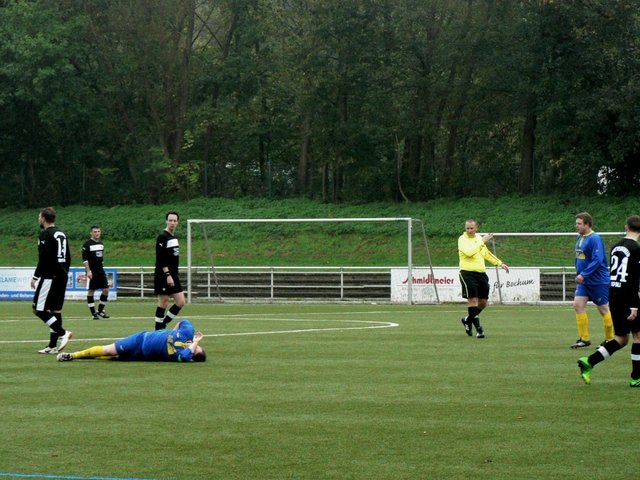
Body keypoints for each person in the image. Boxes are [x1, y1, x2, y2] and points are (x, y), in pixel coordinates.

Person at [577, 215, 640, 386]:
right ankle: (636, 377)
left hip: (614, 294)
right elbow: (634, 280)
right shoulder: (636, 249)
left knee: (621, 338)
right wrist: (635, 306)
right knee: (638, 337)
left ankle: (589, 361)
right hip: (628, 297)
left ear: (626, 226)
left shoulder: (615, 246)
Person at [56, 319, 206, 362]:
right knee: (109, 350)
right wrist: (171, 332)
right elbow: (183, 321)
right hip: (140, 340)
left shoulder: (182, 354)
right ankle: (72, 355)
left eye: (194, 349)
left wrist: (196, 342)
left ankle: (90, 356)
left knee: (113, 357)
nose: (192, 346)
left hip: (143, 356)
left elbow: (185, 356)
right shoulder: (187, 333)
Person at [30, 207, 73, 354]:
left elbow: (44, 258)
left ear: (43, 218)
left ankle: (63, 333)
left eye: (39, 217)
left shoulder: (45, 234)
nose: (39, 219)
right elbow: (68, 257)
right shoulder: (61, 233)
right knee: (56, 310)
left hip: (50, 276)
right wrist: (64, 272)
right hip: (62, 275)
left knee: (37, 309)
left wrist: (35, 276)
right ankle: (52, 346)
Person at [458, 219, 510, 338]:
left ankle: (467, 320)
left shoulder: (478, 239)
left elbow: (486, 254)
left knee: (483, 303)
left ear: (476, 228)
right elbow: (469, 252)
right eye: (467, 228)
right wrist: (482, 241)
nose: (469, 230)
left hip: (481, 274)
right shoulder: (462, 239)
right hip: (467, 273)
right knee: (473, 300)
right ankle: (479, 330)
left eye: (472, 228)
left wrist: (500, 263)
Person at [570, 212, 614, 349]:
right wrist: (579, 272)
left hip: (597, 281)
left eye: (579, 224)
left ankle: (610, 339)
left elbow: (598, 259)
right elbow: (579, 257)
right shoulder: (580, 237)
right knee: (578, 305)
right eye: (576, 223)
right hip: (584, 281)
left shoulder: (595, 238)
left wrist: (584, 274)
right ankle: (584, 339)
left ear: (587, 224)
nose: (576, 226)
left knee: (603, 309)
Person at [153, 211, 185, 330]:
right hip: (163, 274)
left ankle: (164, 323)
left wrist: (173, 274)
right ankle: (158, 330)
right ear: (166, 221)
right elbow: (161, 258)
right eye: (170, 220)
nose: (172, 223)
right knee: (164, 301)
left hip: (173, 274)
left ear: (177, 222)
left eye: (174, 221)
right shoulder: (162, 237)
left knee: (181, 302)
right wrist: (167, 274)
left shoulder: (174, 237)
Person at [82, 225, 111, 319]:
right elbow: (85, 259)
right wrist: (88, 271)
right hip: (92, 270)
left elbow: (101, 258)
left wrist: (102, 267)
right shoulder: (87, 244)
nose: (97, 233)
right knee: (91, 291)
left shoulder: (101, 244)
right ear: (91, 233)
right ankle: (93, 313)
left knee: (106, 290)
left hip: (100, 270)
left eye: (98, 231)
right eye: (95, 232)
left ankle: (100, 311)